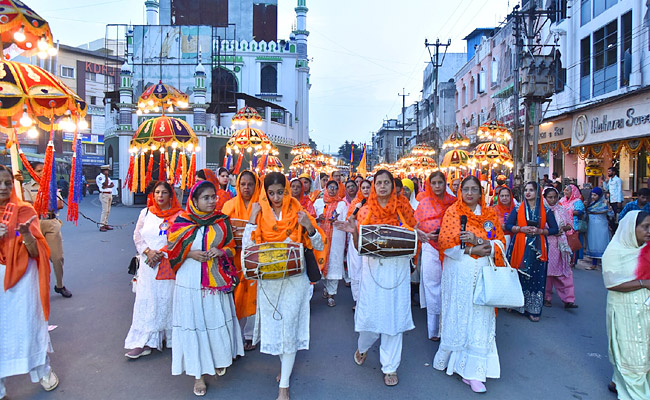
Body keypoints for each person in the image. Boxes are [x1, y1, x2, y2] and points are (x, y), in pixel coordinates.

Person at [243, 172, 325, 400]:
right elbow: (248, 250)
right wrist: (251, 220)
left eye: (281, 192)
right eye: (271, 193)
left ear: (287, 190)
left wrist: (309, 227)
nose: (277, 197)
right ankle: (284, 368)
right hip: (269, 283)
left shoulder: (299, 212)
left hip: (295, 280)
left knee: (289, 328)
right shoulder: (259, 214)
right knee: (277, 328)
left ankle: (284, 386)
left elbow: (317, 243)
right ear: (265, 193)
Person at [337, 169, 421, 387]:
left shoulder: (403, 208)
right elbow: (359, 246)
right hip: (373, 268)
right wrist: (354, 232)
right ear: (373, 186)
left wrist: (417, 238)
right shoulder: (364, 211)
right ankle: (363, 346)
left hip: (398, 269)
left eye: (387, 183)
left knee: (394, 315)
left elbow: (413, 237)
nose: (383, 186)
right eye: (379, 183)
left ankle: (390, 366)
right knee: (371, 315)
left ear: (393, 186)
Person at [167, 180, 244, 396]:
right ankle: (198, 375)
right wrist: (190, 254)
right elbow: (171, 249)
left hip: (214, 279)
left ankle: (219, 359)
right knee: (195, 324)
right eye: (206, 198)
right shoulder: (182, 221)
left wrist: (221, 252)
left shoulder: (221, 221)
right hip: (190, 279)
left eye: (214, 197)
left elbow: (231, 247)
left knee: (215, 319)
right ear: (194, 200)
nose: (212, 201)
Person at [434, 175, 506, 394]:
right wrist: (470, 249)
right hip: (460, 273)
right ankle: (457, 362)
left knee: (479, 319)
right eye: (466, 189)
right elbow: (445, 244)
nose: (470, 193)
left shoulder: (489, 214)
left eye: (475, 189)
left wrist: (482, 242)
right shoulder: (453, 213)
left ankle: (474, 371)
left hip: (483, 273)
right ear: (460, 191)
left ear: (480, 192)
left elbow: (501, 242)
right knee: (461, 314)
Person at [0, 165, 59, 398]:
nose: (4, 187)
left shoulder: (24, 210)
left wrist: (21, 234)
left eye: (7, 182)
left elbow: (36, 251)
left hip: (24, 277)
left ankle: (42, 370)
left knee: (29, 324)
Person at [125, 181, 182, 359]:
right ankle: (146, 342)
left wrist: (163, 253)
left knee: (168, 299)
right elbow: (137, 235)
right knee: (147, 301)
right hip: (148, 265)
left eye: (164, 192)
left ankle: (172, 339)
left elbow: (182, 239)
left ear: (171, 195)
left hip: (168, 265)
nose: (160, 196)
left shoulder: (179, 215)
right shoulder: (146, 212)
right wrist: (148, 252)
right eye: (157, 192)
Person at [602, 210, 650, 399]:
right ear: (631, 228)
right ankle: (637, 394)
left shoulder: (646, 249)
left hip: (645, 310)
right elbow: (611, 283)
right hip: (624, 309)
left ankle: (617, 379)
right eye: (645, 227)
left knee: (644, 350)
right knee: (631, 353)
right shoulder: (615, 252)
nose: (649, 231)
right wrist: (643, 283)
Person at [506, 181, 559, 322]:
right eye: (526, 190)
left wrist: (540, 231)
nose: (527, 193)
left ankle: (533, 309)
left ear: (537, 193)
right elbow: (508, 225)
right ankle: (517, 304)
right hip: (519, 245)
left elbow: (555, 229)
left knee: (536, 277)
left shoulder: (545, 210)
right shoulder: (518, 208)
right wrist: (520, 229)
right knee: (518, 275)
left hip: (538, 248)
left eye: (531, 190)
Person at [222, 171, 261, 352]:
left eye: (250, 184)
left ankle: (250, 335)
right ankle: (234, 334)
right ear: (238, 185)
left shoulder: (262, 207)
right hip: (233, 259)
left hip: (254, 259)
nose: (246, 188)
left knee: (253, 297)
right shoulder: (228, 205)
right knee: (234, 296)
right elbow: (221, 231)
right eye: (243, 184)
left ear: (256, 185)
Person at [414, 171, 456, 341]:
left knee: (449, 286)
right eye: (434, 183)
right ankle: (433, 330)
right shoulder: (423, 204)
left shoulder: (453, 203)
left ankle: (448, 327)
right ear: (429, 185)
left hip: (450, 249)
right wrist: (425, 235)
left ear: (445, 183)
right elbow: (414, 226)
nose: (437, 186)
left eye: (440, 183)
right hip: (430, 248)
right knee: (432, 286)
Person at [22, 162, 71, 298]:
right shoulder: (26, 187)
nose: (42, 173)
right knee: (34, 258)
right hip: (34, 223)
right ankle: (34, 288)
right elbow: (29, 206)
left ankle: (59, 285)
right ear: (32, 172)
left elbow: (59, 204)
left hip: (51, 222)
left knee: (57, 257)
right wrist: (47, 203)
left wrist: (41, 204)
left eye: (44, 170)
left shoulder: (52, 186)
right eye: (38, 171)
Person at [542, 187, 578, 309]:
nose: (553, 200)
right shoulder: (542, 211)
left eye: (555, 197)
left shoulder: (562, 210)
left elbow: (570, 225)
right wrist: (551, 231)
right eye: (550, 197)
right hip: (548, 244)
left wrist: (562, 229)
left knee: (564, 271)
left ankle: (568, 299)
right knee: (548, 272)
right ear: (545, 198)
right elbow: (539, 227)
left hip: (562, 246)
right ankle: (546, 297)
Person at [314, 180, 348, 307]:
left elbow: (345, 221)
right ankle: (326, 288)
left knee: (334, 264)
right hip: (321, 238)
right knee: (322, 263)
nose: (332, 190)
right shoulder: (318, 202)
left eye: (335, 188)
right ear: (326, 188)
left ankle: (331, 294)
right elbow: (312, 218)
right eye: (330, 187)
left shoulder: (342, 204)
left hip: (336, 239)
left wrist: (336, 220)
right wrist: (319, 218)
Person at [346, 179, 371, 305]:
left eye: (368, 187)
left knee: (368, 270)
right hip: (356, 239)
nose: (366, 190)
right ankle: (357, 299)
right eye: (364, 188)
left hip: (370, 241)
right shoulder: (356, 203)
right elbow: (349, 219)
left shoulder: (376, 203)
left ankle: (367, 300)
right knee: (356, 269)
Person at [560, 184, 587, 265]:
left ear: (573, 192)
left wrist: (568, 211)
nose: (565, 192)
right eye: (565, 190)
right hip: (563, 224)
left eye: (567, 190)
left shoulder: (577, 201)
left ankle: (573, 261)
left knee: (572, 244)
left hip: (573, 225)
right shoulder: (562, 200)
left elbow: (580, 212)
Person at [586, 187, 611, 270]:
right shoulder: (590, 203)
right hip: (592, 225)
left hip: (601, 225)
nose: (593, 197)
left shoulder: (604, 203)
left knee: (602, 243)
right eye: (592, 195)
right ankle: (594, 264)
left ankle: (606, 265)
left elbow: (610, 214)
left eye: (595, 195)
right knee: (593, 242)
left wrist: (609, 208)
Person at [493, 186, 515, 251]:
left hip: (514, 239)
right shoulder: (494, 210)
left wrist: (512, 218)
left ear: (511, 197)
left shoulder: (516, 209)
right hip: (498, 240)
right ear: (498, 197)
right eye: (502, 196)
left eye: (507, 196)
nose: (504, 198)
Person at [96, 165, 114, 232]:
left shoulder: (108, 178)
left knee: (108, 210)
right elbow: (104, 185)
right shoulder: (100, 177)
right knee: (105, 210)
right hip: (104, 194)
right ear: (104, 171)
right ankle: (102, 225)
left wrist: (107, 186)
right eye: (107, 170)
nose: (108, 172)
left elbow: (112, 185)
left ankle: (105, 223)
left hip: (109, 194)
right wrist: (106, 178)